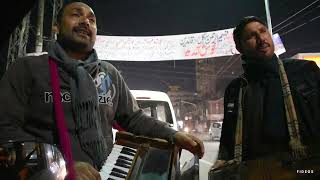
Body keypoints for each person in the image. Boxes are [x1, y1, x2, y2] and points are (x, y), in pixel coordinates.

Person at [0, 2, 204, 179]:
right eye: (76, 14)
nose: (85, 22)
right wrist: (59, 167)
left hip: (105, 174)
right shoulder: (28, 68)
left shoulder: (109, 73)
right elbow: (5, 129)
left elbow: (134, 118)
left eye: (92, 19)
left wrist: (173, 135)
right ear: (56, 26)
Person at [212, 16, 320, 175]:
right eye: (251, 36)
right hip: (255, 172)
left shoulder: (304, 71)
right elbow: (229, 138)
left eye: (263, 31)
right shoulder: (236, 89)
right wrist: (221, 161)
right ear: (240, 47)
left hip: (303, 170)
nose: (261, 39)